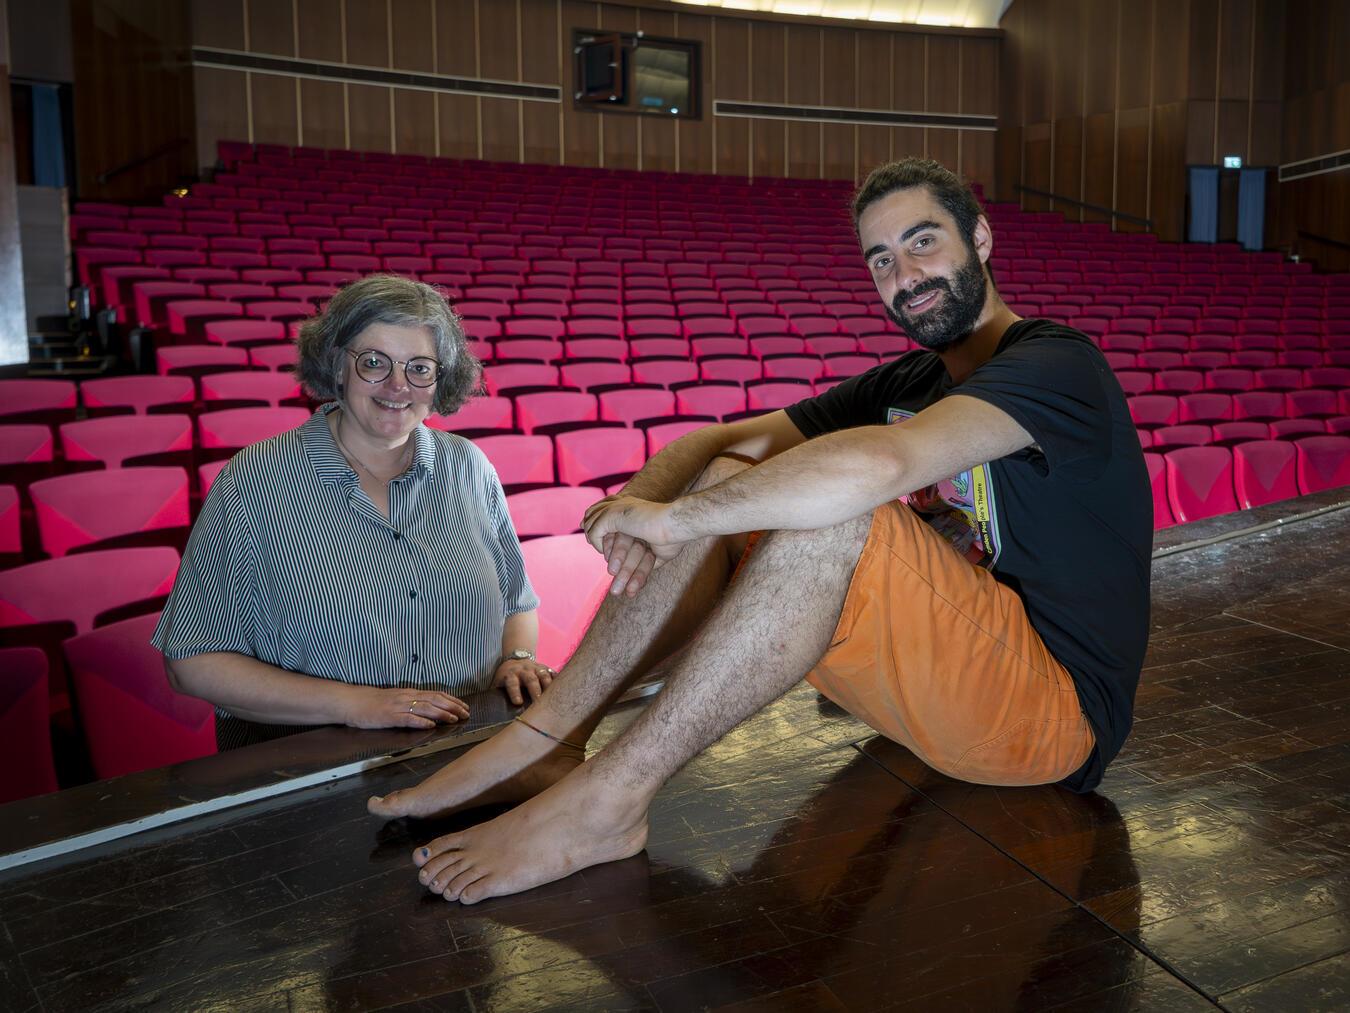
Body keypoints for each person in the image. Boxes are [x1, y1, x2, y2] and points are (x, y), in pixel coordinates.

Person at [366, 159, 1153, 906]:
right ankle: (548, 738)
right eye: (880, 259)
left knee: (831, 510)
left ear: (978, 238)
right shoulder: (913, 380)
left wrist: (675, 522)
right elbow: (713, 444)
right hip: (936, 704)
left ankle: (612, 800)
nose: (904, 275)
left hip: (1051, 724)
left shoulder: (1056, 364)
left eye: (922, 242)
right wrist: (635, 507)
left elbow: (880, 463)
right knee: (732, 475)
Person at [154, 274, 557, 749]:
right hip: (311, 761)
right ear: (336, 365)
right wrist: (357, 704)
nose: (397, 386)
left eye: (419, 368)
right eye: (373, 362)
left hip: (466, 746)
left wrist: (518, 656)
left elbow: (517, 604)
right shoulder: (255, 482)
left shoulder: (469, 467)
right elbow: (193, 663)